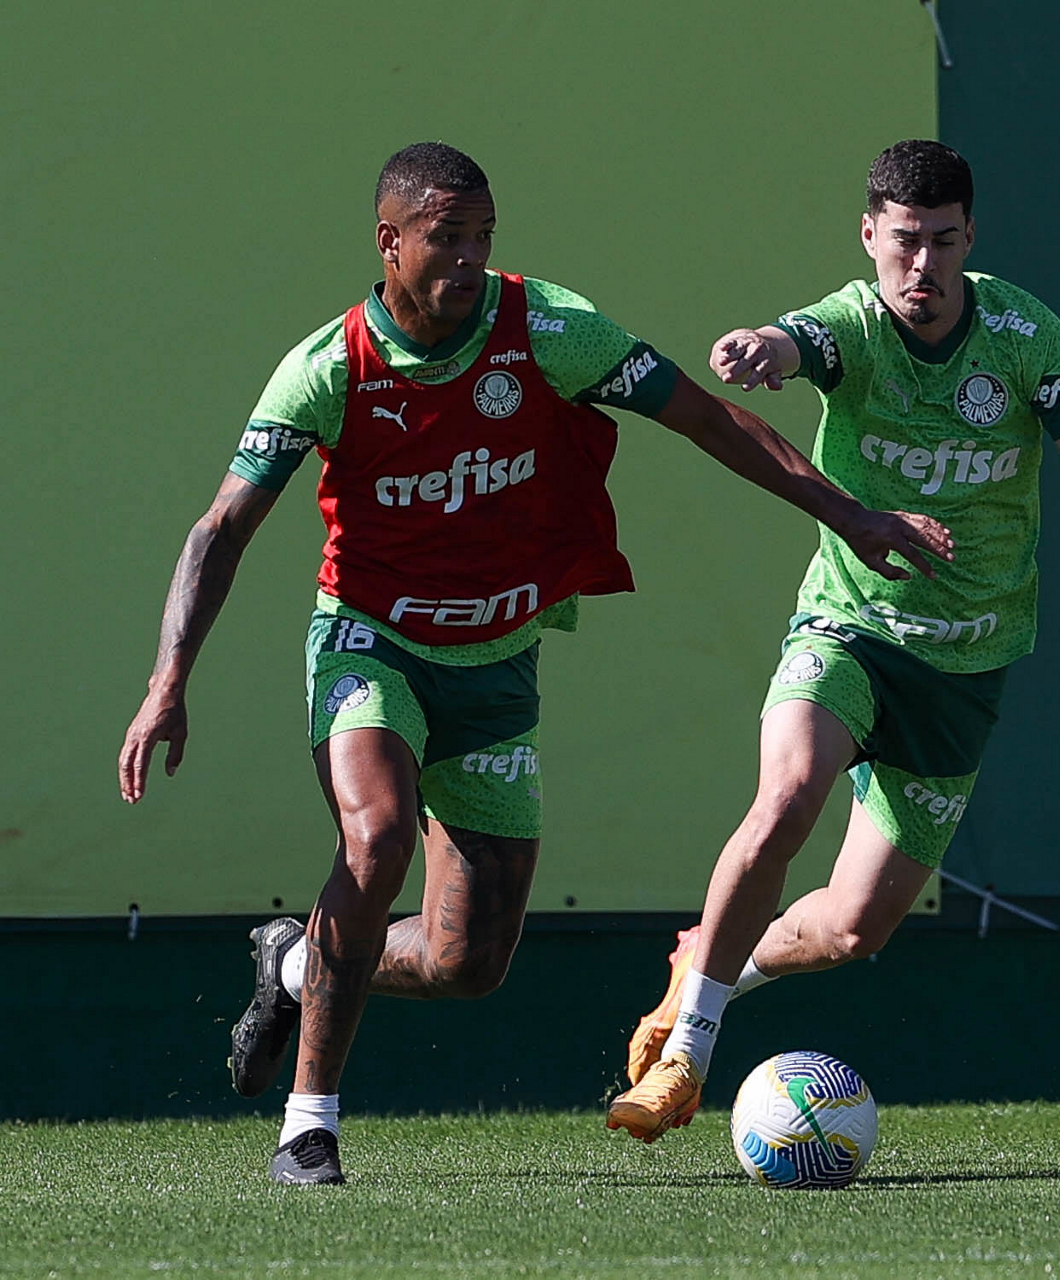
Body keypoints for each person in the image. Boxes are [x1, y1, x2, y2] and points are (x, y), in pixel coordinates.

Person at [117, 142, 952, 1185]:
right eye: (445, 237)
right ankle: (307, 1125)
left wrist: (846, 511)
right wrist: (167, 682)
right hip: (371, 643)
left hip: (497, 663)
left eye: (483, 236)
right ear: (388, 243)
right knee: (377, 840)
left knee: (468, 963)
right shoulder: (331, 367)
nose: (470, 258)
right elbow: (220, 529)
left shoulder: (547, 328)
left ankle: (294, 960)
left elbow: (705, 417)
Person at [606, 139, 1060, 1143]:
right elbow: (793, 344)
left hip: (966, 665)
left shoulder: (1024, 334)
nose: (922, 265)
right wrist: (759, 347)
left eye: (942, 241)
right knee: (787, 797)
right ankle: (688, 1050)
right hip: (850, 627)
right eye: (904, 241)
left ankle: (709, 962)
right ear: (868, 236)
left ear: (969, 237)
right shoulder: (852, 325)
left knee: (856, 927)